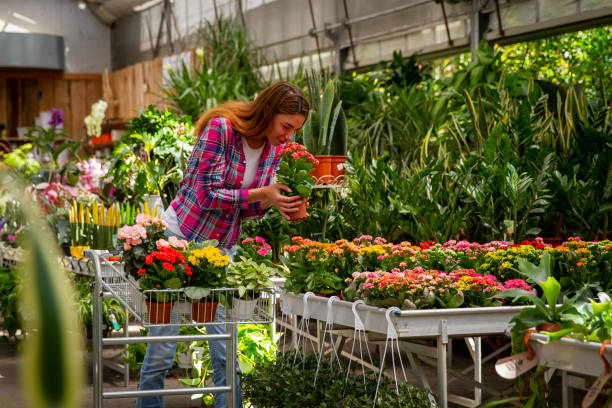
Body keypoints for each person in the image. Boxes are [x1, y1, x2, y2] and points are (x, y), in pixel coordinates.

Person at [136, 81, 309, 408]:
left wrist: (279, 203)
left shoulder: (273, 149)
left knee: (225, 348)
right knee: (162, 349)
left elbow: (247, 210)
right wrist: (263, 193)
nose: (288, 136)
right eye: (286, 126)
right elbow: (206, 196)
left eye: (295, 130)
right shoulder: (222, 130)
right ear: (268, 112)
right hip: (179, 244)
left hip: (220, 253)